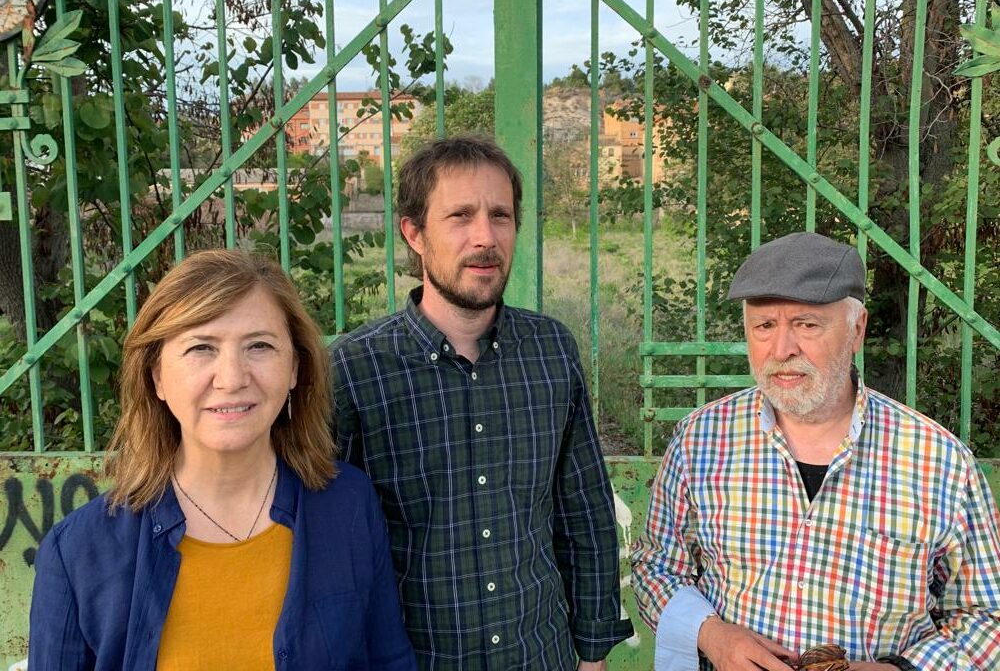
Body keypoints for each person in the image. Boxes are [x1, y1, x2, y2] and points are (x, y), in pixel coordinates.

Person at [29, 250, 415, 671]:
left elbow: (389, 661)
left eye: (259, 346)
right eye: (201, 348)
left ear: (294, 368)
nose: (232, 379)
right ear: (157, 376)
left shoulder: (349, 505)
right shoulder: (77, 553)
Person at [631, 232, 1000, 671]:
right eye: (764, 326)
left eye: (807, 325)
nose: (782, 350)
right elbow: (655, 567)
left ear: (857, 329)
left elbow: (986, 616)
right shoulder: (700, 440)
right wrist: (711, 636)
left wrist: (896, 669)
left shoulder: (940, 462)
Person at [331, 136, 633, 670]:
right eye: (460, 216)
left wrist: (593, 651)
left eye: (500, 216)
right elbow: (327, 543)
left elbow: (584, 511)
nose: (485, 238)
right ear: (414, 233)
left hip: (540, 654)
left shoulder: (551, 350)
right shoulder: (355, 370)